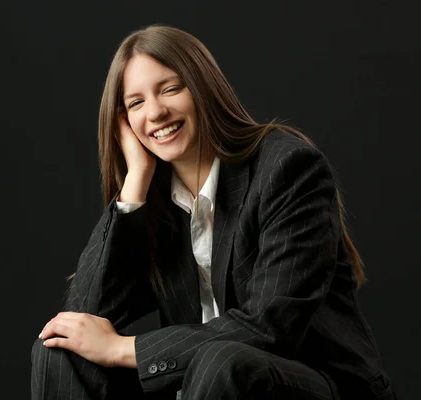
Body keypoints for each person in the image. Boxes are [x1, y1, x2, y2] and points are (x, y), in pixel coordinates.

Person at [30, 24, 396, 400]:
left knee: (222, 359)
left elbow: (269, 327)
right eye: (136, 103)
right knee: (59, 351)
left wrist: (124, 349)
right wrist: (135, 182)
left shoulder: (286, 168)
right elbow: (82, 316)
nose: (155, 112)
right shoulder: (156, 203)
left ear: (203, 86)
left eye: (171, 88)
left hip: (315, 385)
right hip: (203, 387)